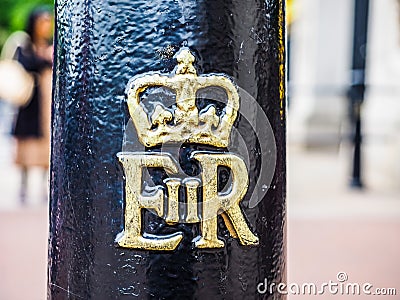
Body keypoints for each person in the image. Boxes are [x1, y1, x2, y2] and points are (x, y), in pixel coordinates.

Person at [11, 7, 53, 203]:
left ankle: (44, 187)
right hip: (29, 101)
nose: (46, 25)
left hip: (46, 100)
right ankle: (23, 186)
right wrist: (43, 59)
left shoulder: (51, 45)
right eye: (43, 21)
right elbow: (25, 63)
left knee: (46, 143)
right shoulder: (24, 44)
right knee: (27, 143)